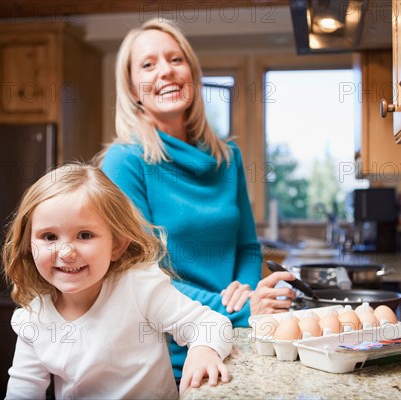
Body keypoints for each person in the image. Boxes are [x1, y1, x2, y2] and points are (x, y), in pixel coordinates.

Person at [99, 18, 296, 380]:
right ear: (131, 88)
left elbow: (247, 248)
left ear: (192, 71)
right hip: (170, 350)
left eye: (176, 59)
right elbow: (139, 271)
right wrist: (238, 308)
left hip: (241, 336)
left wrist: (247, 292)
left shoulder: (228, 157)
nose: (166, 72)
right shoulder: (125, 161)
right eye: (148, 64)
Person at [2, 164, 233, 399]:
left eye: (84, 235)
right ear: (28, 246)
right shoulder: (33, 318)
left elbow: (212, 324)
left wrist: (203, 352)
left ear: (117, 245)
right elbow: (23, 391)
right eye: (49, 237)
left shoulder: (138, 287)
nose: (66, 252)